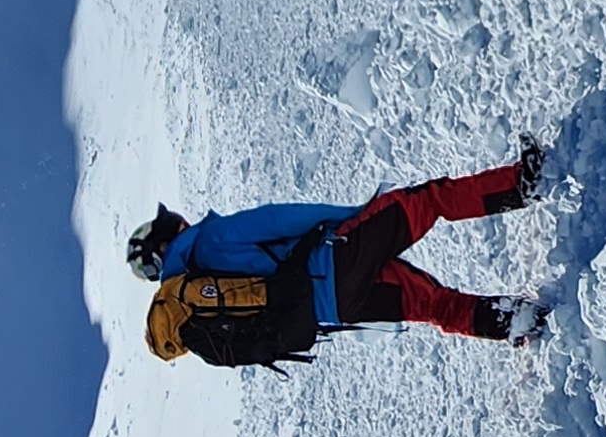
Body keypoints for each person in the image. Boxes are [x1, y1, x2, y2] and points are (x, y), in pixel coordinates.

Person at [132, 142, 552, 366]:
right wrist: (355, 217)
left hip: (335, 308)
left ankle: (519, 321)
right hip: (334, 260)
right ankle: (522, 184)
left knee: (430, 304)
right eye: (169, 225)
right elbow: (277, 221)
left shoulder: (193, 304)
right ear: (165, 242)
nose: (179, 221)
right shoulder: (206, 242)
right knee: (427, 201)